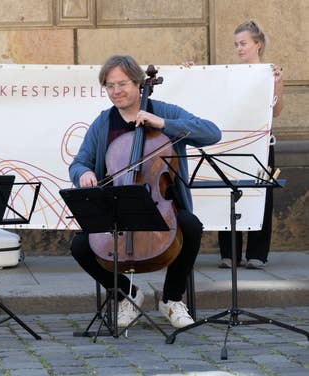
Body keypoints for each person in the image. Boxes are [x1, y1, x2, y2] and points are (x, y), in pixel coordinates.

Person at [69, 55, 221, 328]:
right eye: (110, 86)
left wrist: (163, 124)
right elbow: (79, 162)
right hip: (118, 208)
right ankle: (128, 294)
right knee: (80, 246)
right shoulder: (103, 123)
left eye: (122, 84)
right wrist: (85, 173)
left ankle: (172, 299)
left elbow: (212, 133)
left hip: (160, 208)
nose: (116, 91)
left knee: (192, 227)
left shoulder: (164, 111)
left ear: (138, 83)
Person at [184, 20, 283, 270]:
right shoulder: (231, 73)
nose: (239, 48)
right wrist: (192, 73)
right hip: (231, 145)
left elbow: (277, 111)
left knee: (261, 194)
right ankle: (229, 253)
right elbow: (210, 88)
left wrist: (278, 83)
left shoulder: (268, 73)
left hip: (260, 143)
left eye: (243, 43)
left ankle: (257, 253)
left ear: (257, 44)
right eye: (236, 44)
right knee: (229, 192)